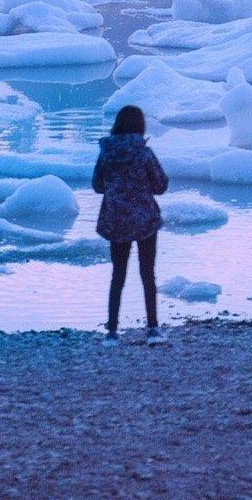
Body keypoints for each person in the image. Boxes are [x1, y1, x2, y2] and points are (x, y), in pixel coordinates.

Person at [93, 103, 169, 342]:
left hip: (116, 219)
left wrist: (115, 189)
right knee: (147, 273)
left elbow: (97, 185)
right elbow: (161, 185)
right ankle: (153, 329)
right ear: (139, 126)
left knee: (118, 274)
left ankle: (112, 332)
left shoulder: (107, 152)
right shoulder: (144, 153)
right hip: (144, 219)